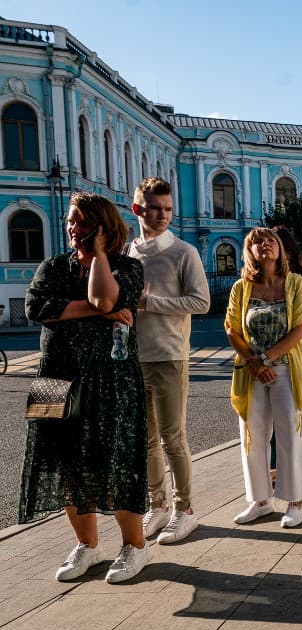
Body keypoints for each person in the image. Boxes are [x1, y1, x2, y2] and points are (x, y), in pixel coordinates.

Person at [22, 192, 151, 583]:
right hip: (53, 375)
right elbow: (35, 308)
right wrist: (100, 311)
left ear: (101, 227)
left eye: (80, 222)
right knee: (65, 464)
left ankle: (135, 548)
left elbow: (102, 294)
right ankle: (88, 546)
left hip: (111, 378)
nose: (71, 229)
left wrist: (98, 256)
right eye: (70, 221)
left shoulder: (127, 267)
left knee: (117, 460)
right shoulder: (52, 266)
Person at [128, 177, 210, 546]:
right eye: (155, 209)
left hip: (169, 356)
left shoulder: (183, 252)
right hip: (133, 357)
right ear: (138, 210)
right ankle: (157, 506)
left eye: (168, 209)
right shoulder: (129, 254)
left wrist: (151, 303)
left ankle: (185, 510)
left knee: (173, 438)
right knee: (144, 440)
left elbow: (201, 302)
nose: (162, 216)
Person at [225, 228, 302, 528]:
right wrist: (254, 362)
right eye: (257, 242)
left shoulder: (295, 283)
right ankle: (260, 500)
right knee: (252, 435)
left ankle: (295, 501)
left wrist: (266, 359)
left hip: (287, 368)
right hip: (251, 371)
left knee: (290, 433)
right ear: (249, 252)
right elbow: (232, 329)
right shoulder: (241, 287)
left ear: (280, 249)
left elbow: (300, 328)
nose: (264, 245)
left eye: (270, 241)